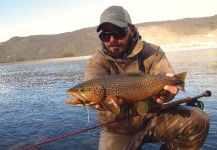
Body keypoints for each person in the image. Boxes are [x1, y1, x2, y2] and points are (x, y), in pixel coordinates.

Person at [84, 5, 210, 150]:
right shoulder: (96, 61)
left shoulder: (153, 52)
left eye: (118, 33)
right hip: (118, 129)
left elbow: (167, 83)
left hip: (153, 117)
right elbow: (91, 89)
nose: (112, 39)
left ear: (131, 29)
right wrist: (96, 102)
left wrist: (166, 94)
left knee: (199, 120)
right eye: (105, 35)